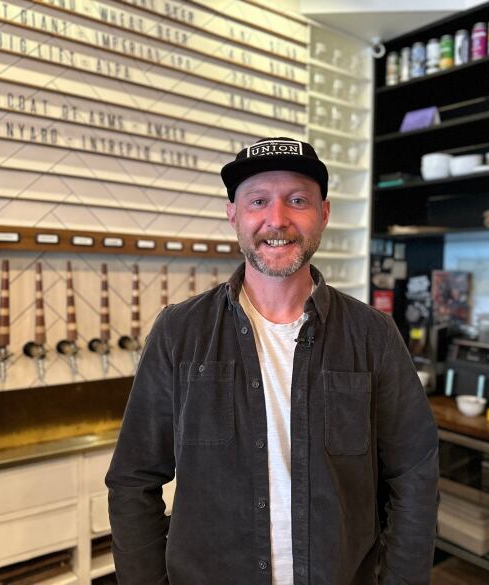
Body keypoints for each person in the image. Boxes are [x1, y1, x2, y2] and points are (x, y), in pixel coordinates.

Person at [106, 137, 439, 585]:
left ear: (323, 213)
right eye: (258, 200)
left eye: (297, 200)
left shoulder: (373, 336)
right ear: (234, 216)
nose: (276, 219)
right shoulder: (179, 332)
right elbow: (133, 480)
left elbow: (414, 479)